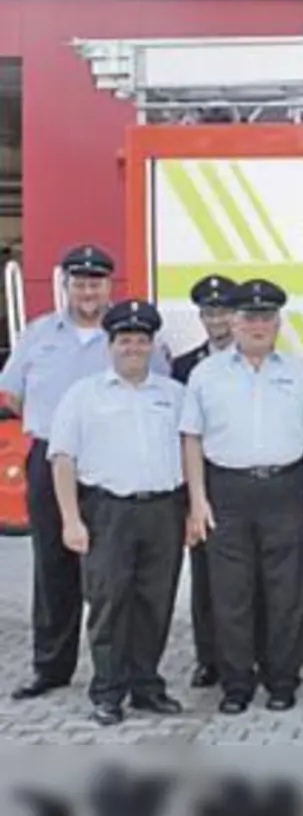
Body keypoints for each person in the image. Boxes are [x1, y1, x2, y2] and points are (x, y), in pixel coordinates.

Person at [1, 244, 169, 701]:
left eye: (96, 282)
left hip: (111, 466)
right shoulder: (39, 335)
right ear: (67, 285)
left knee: (116, 572)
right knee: (53, 565)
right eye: (80, 282)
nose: (88, 291)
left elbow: (161, 391)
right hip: (50, 462)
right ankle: (51, 668)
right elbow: (12, 394)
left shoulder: (129, 333)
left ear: (108, 286)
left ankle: (123, 672)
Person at [180, 279, 303, 713]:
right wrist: (197, 499)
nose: (258, 325)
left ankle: (282, 679)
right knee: (231, 593)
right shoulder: (205, 374)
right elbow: (191, 438)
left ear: (278, 322)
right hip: (226, 490)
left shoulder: (302, 374)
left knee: (287, 592)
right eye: (249, 317)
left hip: (285, 487)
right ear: (234, 321)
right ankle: (237, 683)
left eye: (266, 317)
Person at [47, 299, 185, 726]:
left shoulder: (174, 395)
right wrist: (70, 519)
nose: (133, 348)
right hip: (107, 511)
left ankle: (145, 685)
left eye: (141, 340)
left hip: (163, 510)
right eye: (124, 340)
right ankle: (107, 691)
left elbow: (191, 450)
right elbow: (62, 458)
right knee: (108, 603)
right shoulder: (83, 395)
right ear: (110, 346)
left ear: (152, 346)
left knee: (154, 603)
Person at [170, 273, 238, 691]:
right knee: (207, 576)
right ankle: (209, 657)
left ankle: (252, 653)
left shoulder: (258, 356)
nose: (217, 320)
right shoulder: (183, 366)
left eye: (224, 311)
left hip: (242, 479)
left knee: (250, 577)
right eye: (209, 312)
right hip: (202, 480)